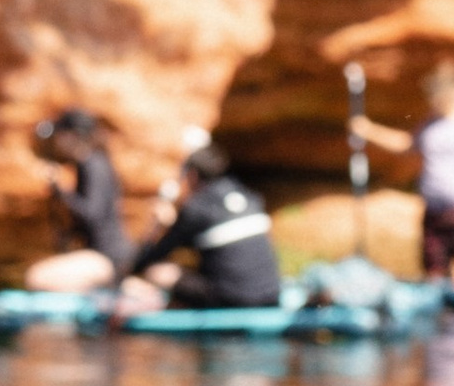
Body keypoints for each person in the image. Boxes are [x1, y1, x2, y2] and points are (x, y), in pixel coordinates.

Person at [351, 65, 454, 282]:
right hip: (434, 214)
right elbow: (407, 145)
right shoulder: (430, 125)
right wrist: (369, 131)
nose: (429, 101)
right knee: (435, 273)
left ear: (447, 96)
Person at [114, 132, 283, 311]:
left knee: (159, 272)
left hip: (232, 300)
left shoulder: (196, 209)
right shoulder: (247, 195)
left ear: (193, 175)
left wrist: (160, 226)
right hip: (270, 294)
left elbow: (153, 256)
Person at [26, 107, 135, 292]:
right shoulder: (93, 163)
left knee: (38, 278)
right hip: (106, 257)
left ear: (72, 136)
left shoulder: (93, 164)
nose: (57, 144)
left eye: (60, 136)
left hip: (108, 258)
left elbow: (92, 215)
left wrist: (60, 192)